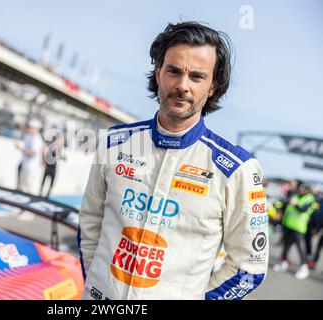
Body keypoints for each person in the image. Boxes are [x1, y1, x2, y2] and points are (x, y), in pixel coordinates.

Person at [78, 21, 269, 300]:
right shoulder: (113, 142)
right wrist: (97, 288)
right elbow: (90, 223)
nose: (182, 85)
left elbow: (249, 267)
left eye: (197, 77)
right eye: (174, 71)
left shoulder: (236, 170)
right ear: (158, 74)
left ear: (213, 86)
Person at [273, 184, 317, 280]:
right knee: (286, 246)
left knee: (301, 248)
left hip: (299, 227)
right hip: (288, 225)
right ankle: (283, 262)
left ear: (307, 190)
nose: (301, 190)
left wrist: (295, 203)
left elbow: (303, 209)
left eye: (303, 189)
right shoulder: (296, 196)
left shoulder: (310, 199)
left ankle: (304, 268)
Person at [16, 119, 44, 194]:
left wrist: (22, 148)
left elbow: (32, 154)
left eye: (30, 127)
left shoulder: (37, 139)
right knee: (21, 186)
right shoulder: (28, 136)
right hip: (25, 165)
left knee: (28, 188)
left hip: (31, 167)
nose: (28, 129)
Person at [40, 133, 64, 198]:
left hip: (54, 166)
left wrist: (62, 157)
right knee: (44, 179)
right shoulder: (51, 145)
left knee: (52, 182)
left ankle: (47, 195)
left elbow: (58, 157)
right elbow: (45, 152)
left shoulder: (59, 148)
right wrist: (43, 160)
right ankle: (40, 193)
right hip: (49, 165)